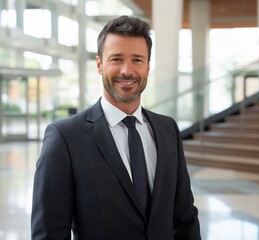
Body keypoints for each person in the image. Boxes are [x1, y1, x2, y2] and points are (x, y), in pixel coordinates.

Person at [31, 15, 201, 240]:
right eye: (117, 59)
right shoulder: (65, 138)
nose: (126, 70)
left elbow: (184, 218)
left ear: (148, 66)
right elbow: (49, 233)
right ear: (100, 64)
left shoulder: (167, 129)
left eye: (137, 60)